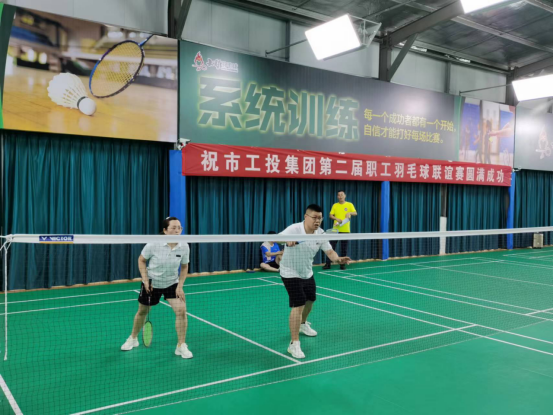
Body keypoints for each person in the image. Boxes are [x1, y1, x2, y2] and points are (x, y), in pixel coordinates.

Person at [279, 204, 350, 359]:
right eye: (314, 217)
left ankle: (303, 324)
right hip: (290, 272)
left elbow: (330, 251)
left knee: (310, 300)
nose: (317, 221)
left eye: (320, 218)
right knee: (298, 304)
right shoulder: (294, 229)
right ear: (306, 217)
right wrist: (287, 240)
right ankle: (294, 343)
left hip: (307, 272)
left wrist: (338, 259)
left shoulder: (321, 233)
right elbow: (278, 237)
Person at [121, 217, 193, 359]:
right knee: (143, 311)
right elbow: (141, 260)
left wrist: (180, 286)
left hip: (172, 283)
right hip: (152, 283)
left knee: (181, 311)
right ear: (165, 230)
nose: (177, 230)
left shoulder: (184, 246)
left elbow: (185, 266)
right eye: (173, 228)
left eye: (179, 227)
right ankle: (133, 338)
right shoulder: (153, 244)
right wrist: (145, 280)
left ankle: (181, 345)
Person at [323, 190, 357, 270]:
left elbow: (355, 213)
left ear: (345, 196)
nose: (340, 196)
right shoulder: (335, 205)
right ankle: (328, 264)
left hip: (345, 230)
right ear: (337, 197)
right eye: (339, 195)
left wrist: (349, 213)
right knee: (331, 247)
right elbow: (330, 215)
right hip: (335, 230)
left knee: (344, 248)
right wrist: (336, 218)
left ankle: (342, 264)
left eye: (342, 195)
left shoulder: (349, 204)